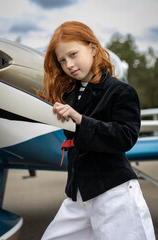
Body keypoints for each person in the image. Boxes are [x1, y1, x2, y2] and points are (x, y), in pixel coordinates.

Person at [39, 21, 155, 240]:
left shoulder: (121, 91)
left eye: (73, 54)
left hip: (115, 193)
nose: (68, 64)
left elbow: (125, 137)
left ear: (92, 48)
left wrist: (81, 119)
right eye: (62, 60)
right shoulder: (70, 95)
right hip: (78, 196)